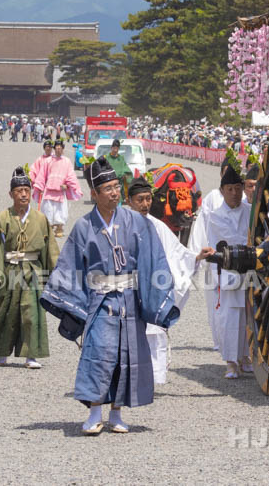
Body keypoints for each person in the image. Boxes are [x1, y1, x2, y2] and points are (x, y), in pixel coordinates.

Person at [40, 156, 180, 435]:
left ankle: (116, 413)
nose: (115, 193)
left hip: (129, 301)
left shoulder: (136, 222)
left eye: (117, 187)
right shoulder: (83, 226)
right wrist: (72, 304)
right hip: (100, 302)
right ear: (94, 194)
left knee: (125, 355)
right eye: (108, 188)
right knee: (98, 352)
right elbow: (70, 265)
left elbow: (153, 259)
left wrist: (155, 298)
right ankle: (94, 413)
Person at [0, 167, 59, 369]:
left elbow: (49, 250)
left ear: (31, 192)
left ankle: (31, 355)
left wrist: (55, 274)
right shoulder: (2, 218)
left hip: (32, 271)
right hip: (8, 271)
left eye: (26, 189)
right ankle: (0, 351)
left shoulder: (41, 219)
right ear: (11, 194)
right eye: (19, 191)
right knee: (3, 313)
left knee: (31, 312)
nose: (23, 194)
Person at [126, 177, 209, 385]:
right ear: (129, 201)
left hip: (151, 288)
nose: (145, 204)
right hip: (127, 288)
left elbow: (176, 253)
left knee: (153, 332)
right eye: (140, 200)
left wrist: (196, 258)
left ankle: (152, 378)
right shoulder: (120, 224)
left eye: (148, 199)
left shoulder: (158, 226)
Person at [187, 154, 251, 377]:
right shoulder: (215, 216)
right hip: (228, 271)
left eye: (238, 188)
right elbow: (227, 242)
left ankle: (245, 357)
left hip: (250, 270)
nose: (234, 193)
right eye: (230, 189)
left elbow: (249, 238)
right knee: (230, 317)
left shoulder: (249, 212)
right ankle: (230, 361)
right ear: (222, 191)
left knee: (248, 316)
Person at [33, 140, 83, 238]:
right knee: (48, 209)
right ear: (54, 148)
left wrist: (67, 185)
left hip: (60, 190)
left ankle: (59, 228)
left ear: (63, 149)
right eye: (57, 147)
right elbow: (42, 174)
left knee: (60, 210)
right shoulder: (48, 161)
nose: (58, 149)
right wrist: (40, 186)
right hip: (49, 189)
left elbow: (71, 175)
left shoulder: (67, 161)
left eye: (60, 147)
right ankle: (49, 228)